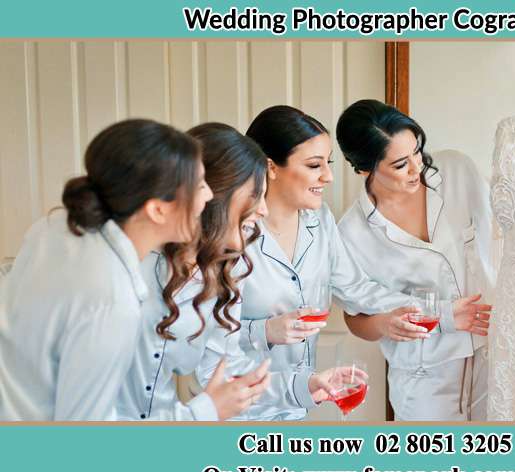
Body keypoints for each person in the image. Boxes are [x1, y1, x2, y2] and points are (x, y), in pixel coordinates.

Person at [196, 105, 414, 421]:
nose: (328, 176)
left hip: (297, 403)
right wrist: (265, 330)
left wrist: (435, 311)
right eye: (314, 165)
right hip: (239, 413)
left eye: (328, 163)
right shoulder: (228, 236)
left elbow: (355, 288)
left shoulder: (320, 220)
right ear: (270, 167)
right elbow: (209, 340)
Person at [0, 119, 209, 420]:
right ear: (157, 209)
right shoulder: (112, 302)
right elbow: (87, 443)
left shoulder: (54, 227)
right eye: (200, 185)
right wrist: (203, 412)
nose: (209, 196)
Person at [336, 100, 494, 420]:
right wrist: (383, 322)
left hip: (489, 356)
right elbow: (355, 319)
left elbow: (512, 223)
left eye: (417, 152)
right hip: (424, 378)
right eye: (399, 164)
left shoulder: (457, 172)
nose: (416, 169)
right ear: (364, 167)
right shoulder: (351, 234)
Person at [116, 123, 272, 421]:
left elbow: (221, 366)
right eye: (255, 195)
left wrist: (301, 386)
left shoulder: (223, 269)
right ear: (212, 193)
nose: (263, 209)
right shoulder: (131, 263)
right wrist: (203, 414)